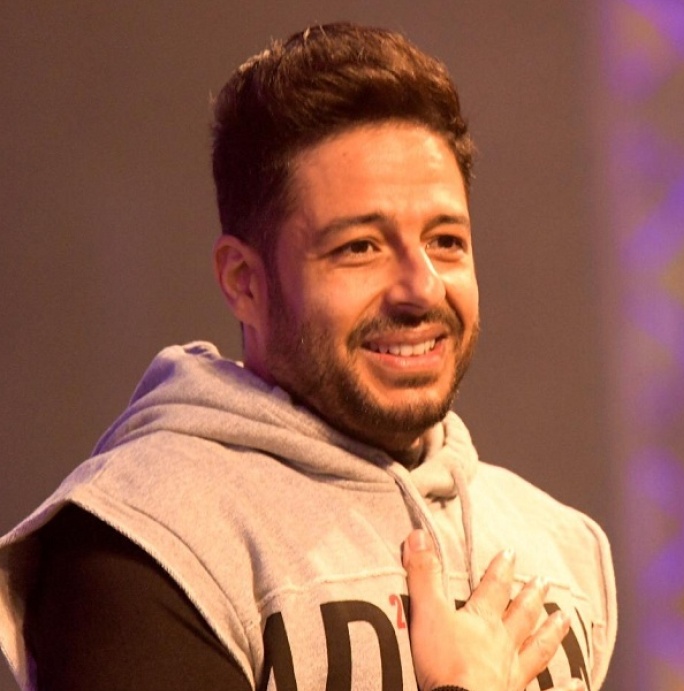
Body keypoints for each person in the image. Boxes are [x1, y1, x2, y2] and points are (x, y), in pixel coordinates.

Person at [0, 22, 615, 691]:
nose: (421, 288)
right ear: (245, 282)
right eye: (360, 247)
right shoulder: (151, 541)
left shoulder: (561, 548)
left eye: (445, 241)